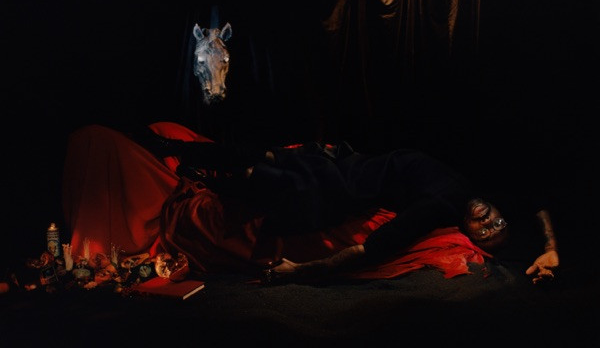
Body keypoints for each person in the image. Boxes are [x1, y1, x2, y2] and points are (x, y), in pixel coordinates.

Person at [155, 134, 560, 286]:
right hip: (346, 160)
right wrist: (550, 247)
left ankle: (195, 171)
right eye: (499, 221)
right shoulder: (478, 189)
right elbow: (537, 203)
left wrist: (298, 272)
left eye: (487, 232)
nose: (489, 220)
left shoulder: (437, 208)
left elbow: (369, 251)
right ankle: (177, 150)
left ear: (470, 235)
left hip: (338, 188)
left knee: (259, 174)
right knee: (264, 157)